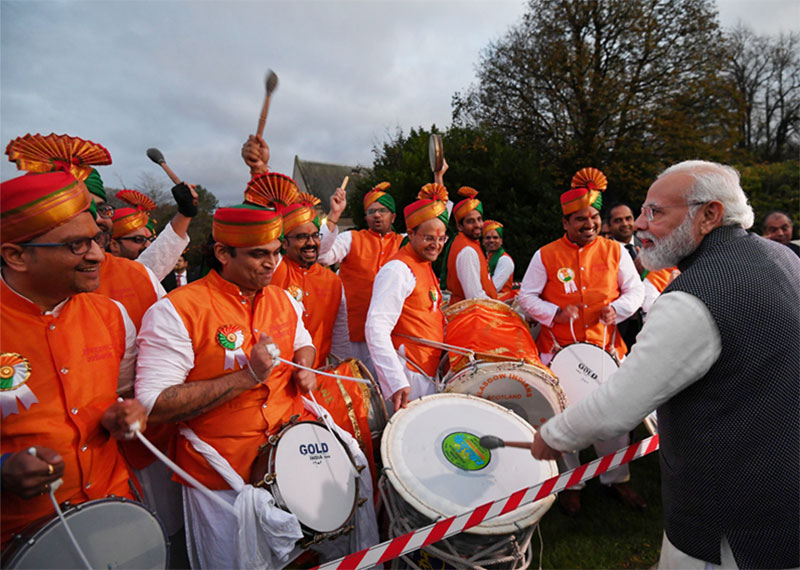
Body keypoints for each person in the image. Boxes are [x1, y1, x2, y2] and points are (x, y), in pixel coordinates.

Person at [532, 160, 800, 570]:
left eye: (655, 212)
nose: (638, 224)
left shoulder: (693, 297)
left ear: (709, 215)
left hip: (728, 520)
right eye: (642, 211)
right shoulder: (783, 258)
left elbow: (615, 409)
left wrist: (553, 435)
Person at [135, 205, 377, 568]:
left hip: (297, 459)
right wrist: (247, 377)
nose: (272, 264)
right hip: (224, 480)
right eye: (259, 254)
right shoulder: (176, 310)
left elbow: (304, 344)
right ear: (222, 253)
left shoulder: (282, 299)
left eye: (277, 253)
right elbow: (154, 405)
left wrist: (305, 370)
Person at [0, 170, 147, 548]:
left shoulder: (112, 315)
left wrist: (121, 414)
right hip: (19, 541)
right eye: (76, 245)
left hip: (114, 513)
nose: (98, 254)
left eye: (96, 238)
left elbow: (120, 393)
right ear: (16, 255)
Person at [517, 167, 645, 515]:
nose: (588, 223)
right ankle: (571, 484)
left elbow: (637, 290)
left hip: (605, 350)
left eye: (592, 217)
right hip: (558, 355)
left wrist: (616, 310)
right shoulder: (545, 254)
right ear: (565, 223)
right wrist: (554, 312)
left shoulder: (616, 251)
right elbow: (526, 297)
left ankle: (616, 480)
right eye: (579, 219)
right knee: (564, 419)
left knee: (614, 422)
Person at [247, 173, 349, 367]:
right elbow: (260, 239)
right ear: (284, 242)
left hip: (316, 376)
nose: (311, 243)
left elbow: (340, 334)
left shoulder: (333, 281)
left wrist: (343, 369)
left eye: (315, 236)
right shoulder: (274, 268)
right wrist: (258, 168)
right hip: (272, 375)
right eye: (302, 237)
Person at [365, 183, 449, 412]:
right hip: (408, 376)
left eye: (442, 239)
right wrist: (395, 381)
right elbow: (376, 327)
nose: (436, 245)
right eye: (429, 237)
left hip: (426, 372)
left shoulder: (424, 264)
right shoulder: (398, 270)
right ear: (410, 233)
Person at [317, 182, 405, 374]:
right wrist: (334, 214)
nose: (377, 215)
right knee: (353, 389)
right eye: (371, 211)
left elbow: (435, 230)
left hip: (391, 334)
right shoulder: (351, 238)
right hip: (352, 333)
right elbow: (321, 255)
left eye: (383, 210)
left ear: (394, 216)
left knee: (385, 393)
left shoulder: (405, 243)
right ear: (366, 217)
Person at [441, 186, 498, 304]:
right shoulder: (467, 251)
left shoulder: (468, 244)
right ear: (460, 226)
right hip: (472, 316)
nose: (477, 225)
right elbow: (475, 297)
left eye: (479, 219)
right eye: (471, 221)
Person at [607, 202, 644, 348]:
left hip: (647, 322)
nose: (625, 224)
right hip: (617, 324)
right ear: (608, 226)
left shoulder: (649, 245)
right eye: (618, 220)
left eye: (628, 218)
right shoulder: (603, 252)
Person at [482, 219, 516, 301]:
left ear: (501, 241)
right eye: (488, 238)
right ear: (483, 241)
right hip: (488, 299)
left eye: (495, 237)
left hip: (501, 303)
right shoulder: (484, 258)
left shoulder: (505, 260)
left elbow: (494, 288)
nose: (491, 240)